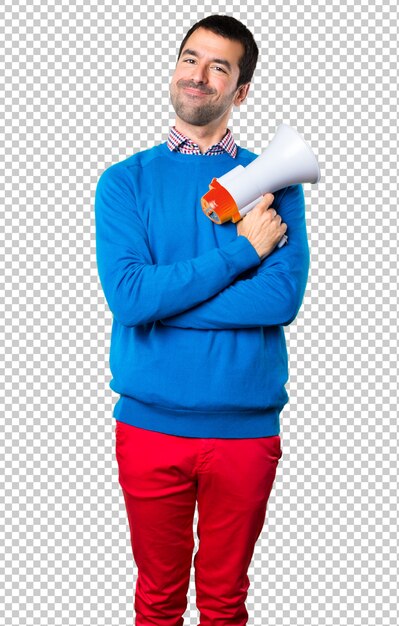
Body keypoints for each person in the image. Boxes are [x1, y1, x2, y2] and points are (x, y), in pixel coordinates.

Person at [94, 14, 310, 626]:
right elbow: (132, 298)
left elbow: (280, 301)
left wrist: (168, 306)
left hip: (244, 431)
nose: (200, 74)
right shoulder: (124, 183)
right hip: (149, 428)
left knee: (224, 603)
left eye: (220, 65)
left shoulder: (276, 182)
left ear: (239, 90)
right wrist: (241, 253)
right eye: (191, 58)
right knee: (157, 602)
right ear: (175, 68)